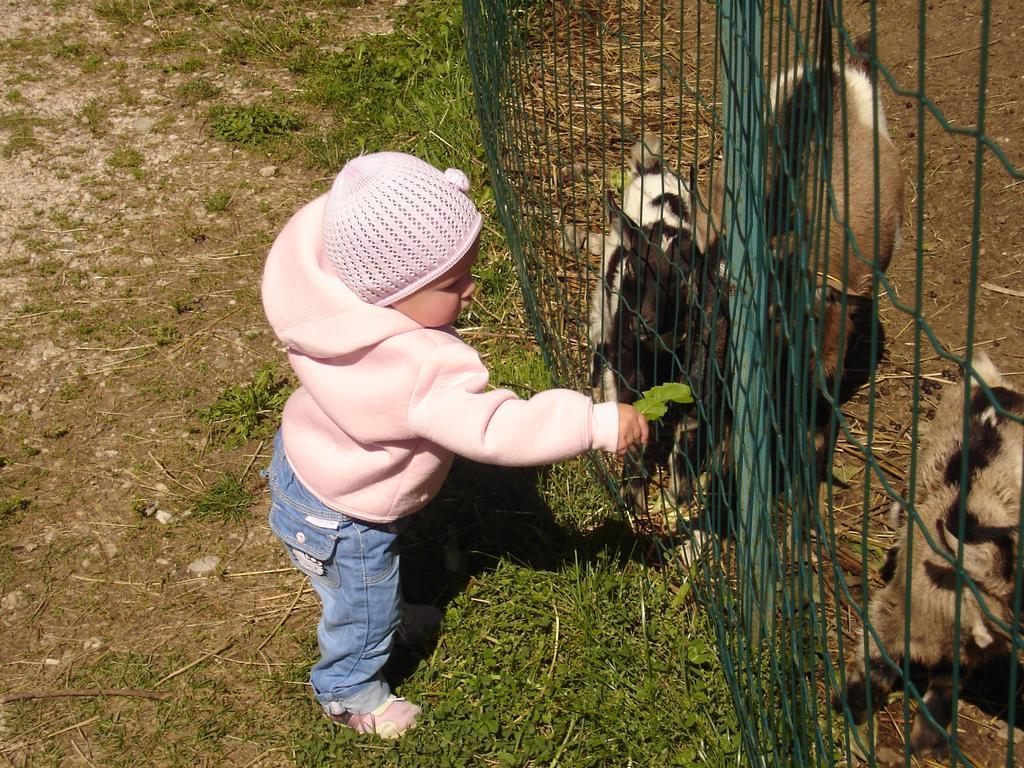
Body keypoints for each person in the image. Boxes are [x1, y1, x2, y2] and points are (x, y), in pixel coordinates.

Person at [260, 151, 649, 739]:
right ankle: (348, 690)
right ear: (391, 291)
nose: (472, 290)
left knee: (365, 593)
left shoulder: (333, 307)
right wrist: (592, 423)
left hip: (305, 462)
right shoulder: (420, 369)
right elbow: (496, 428)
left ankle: (381, 618)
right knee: (359, 606)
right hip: (345, 516)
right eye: (451, 283)